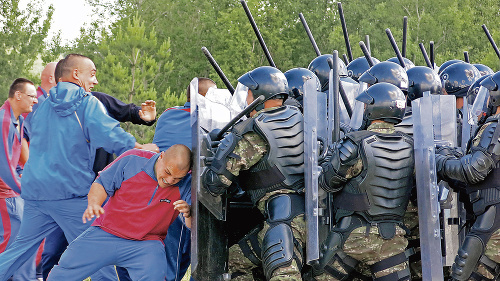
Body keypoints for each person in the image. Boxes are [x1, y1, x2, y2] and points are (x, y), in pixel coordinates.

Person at [0, 53, 158, 281]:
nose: (95, 81)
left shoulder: (40, 107)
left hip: (36, 193)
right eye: (92, 74)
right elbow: (111, 135)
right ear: (76, 74)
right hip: (70, 194)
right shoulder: (86, 102)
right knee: (98, 253)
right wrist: (144, 149)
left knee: (18, 251)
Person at [202, 66, 306, 280]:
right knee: (236, 259)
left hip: (283, 221)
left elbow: (216, 182)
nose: (246, 97)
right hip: (310, 212)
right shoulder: (299, 115)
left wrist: (219, 150)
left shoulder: (254, 131)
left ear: (260, 94)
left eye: (248, 91)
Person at [313, 82, 414, 280]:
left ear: (373, 109)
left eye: (366, 106)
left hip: (354, 237)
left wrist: (328, 158)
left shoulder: (356, 142)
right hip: (393, 239)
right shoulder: (411, 144)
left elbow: (326, 182)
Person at [46, 144, 192, 280]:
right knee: (64, 269)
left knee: (157, 275)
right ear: (161, 156)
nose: (170, 180)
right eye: (167, 172)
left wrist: (188, 213)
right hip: (106, 233)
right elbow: (101, 183)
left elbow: (192, 225)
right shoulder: (132, 159)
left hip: (147, 243)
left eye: (178, 178)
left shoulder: (187, 182)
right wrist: (94, 204)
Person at [435, 71, 500, 280]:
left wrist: (441, 162)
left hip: (493, 223)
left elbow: (474, 170)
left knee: (466, 275)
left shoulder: (496, 126)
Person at [152, 77, 216, 281]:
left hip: (158, 189)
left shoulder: (168, 114)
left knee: (168, 254)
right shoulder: (208, 120)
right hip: (183, 193)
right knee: (180, 255)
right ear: (207, 98)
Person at [0, 78, 38, 281]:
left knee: (23, 242)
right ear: (18, 95)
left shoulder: (19, 121)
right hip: (5, 195)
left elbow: (13, 162)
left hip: (13, 192)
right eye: (32, 96)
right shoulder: (4, 121)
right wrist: (24, 189)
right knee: (9, 248)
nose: (36, 100)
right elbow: (4, 167)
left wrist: (24, 177)